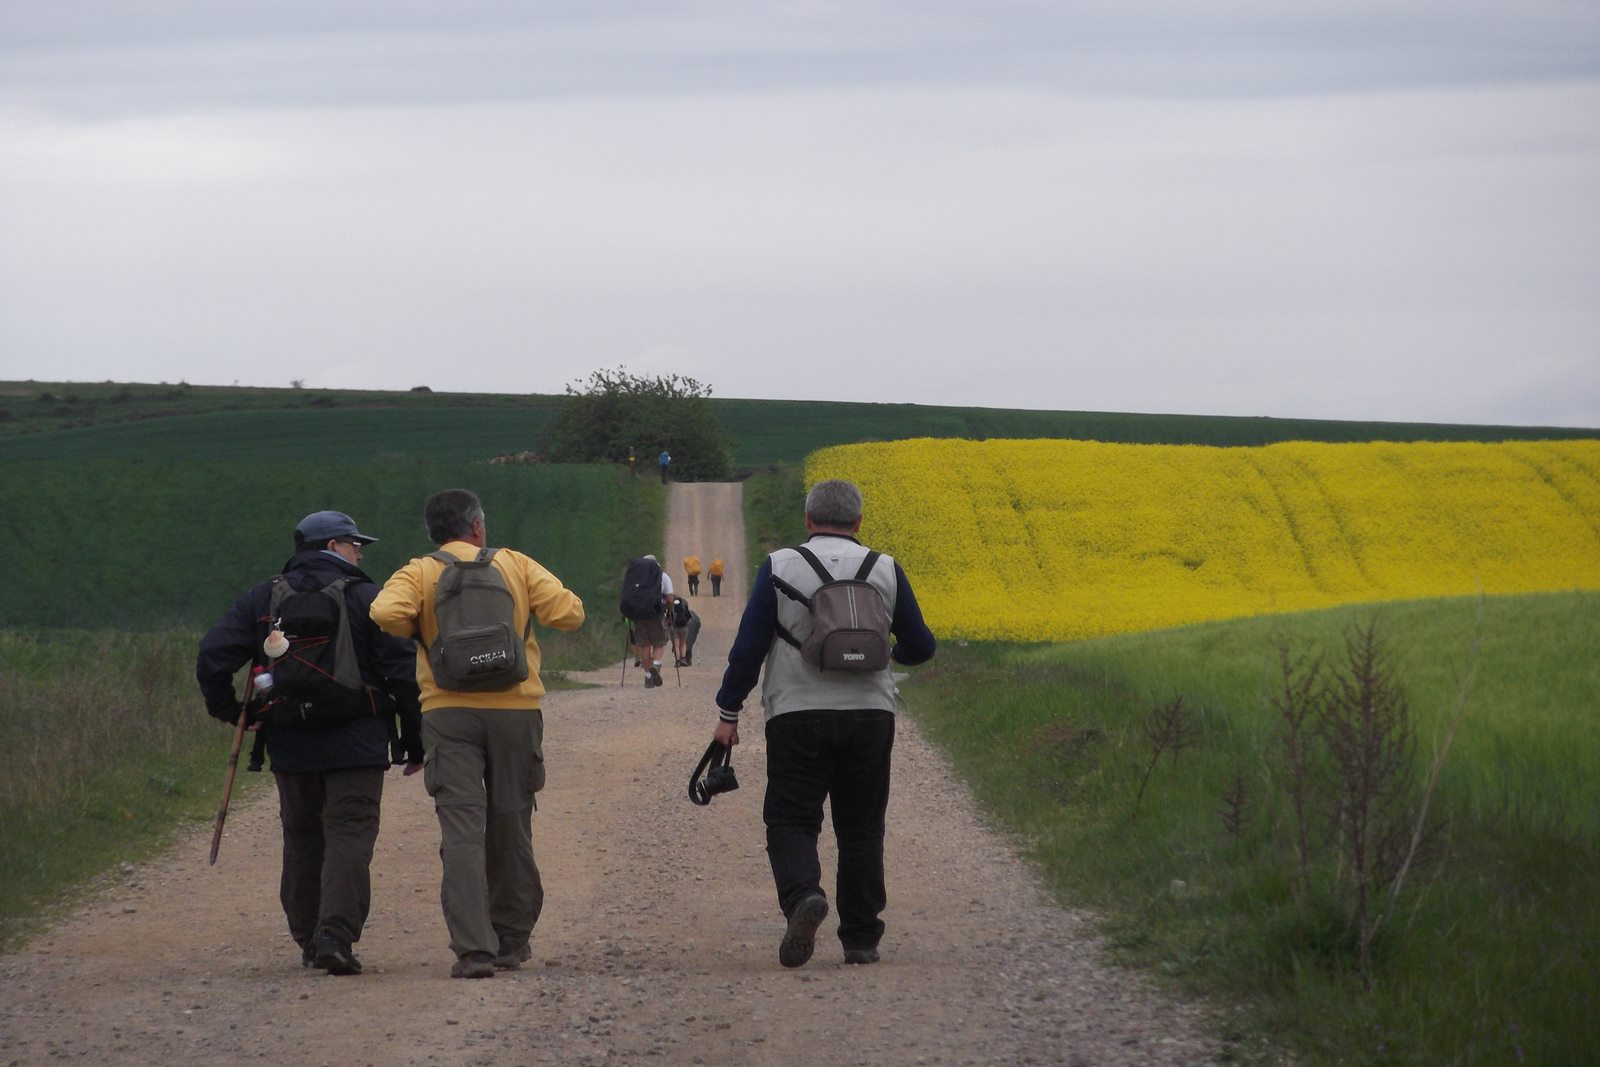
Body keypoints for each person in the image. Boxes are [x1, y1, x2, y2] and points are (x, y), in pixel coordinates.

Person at [711, 480, 936, 968]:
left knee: (791, 818)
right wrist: (883, 656)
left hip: (796, 712)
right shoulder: (885, 568)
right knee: (861, 827)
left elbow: (748, 649)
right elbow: (921, 646)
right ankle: (860, 938)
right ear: (858, 523)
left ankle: (802, 899)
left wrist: (729, 713)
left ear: (808, 520)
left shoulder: (779, 566)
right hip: (870, 713)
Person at [196, 510, 424, 976]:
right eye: (355, 543)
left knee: (302, 837)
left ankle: (306, 936)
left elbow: (212, 655)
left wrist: (235, 711)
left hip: (289, 739)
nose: (359, 552)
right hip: (357, 741)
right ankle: (335, 936)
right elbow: (404, 671)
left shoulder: (263, 597)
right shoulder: (366, 597)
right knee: (350, 833)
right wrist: (414, 739)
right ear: (335, 545)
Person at [370, 489, 585, 979]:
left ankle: (474, 950)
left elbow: (384, 614)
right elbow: (571, 614)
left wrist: (421, 630)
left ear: (434, 532)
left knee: (462, 830)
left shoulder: (420, 571)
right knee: (511, 823)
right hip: (515, 710)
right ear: (478, 526)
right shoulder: (514, 563)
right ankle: (511, 940)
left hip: (448, 711)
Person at [623, 554, 673, 687]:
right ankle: (656, 666)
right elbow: (669, 599)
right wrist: (669, 610)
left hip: (638, 616)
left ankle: (648, 676)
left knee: (644, 646)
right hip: (656, 614)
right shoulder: (663, 576)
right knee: (658, 643)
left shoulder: (635, 577)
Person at [669, 593, 693, 667]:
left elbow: (668, 620)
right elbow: (690, 619)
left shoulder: (671, 609)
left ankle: (677, 661)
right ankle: (683, 659)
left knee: (676, 645)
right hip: (684, 628)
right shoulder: (684, 607)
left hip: (675, 628)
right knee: (683, 644)